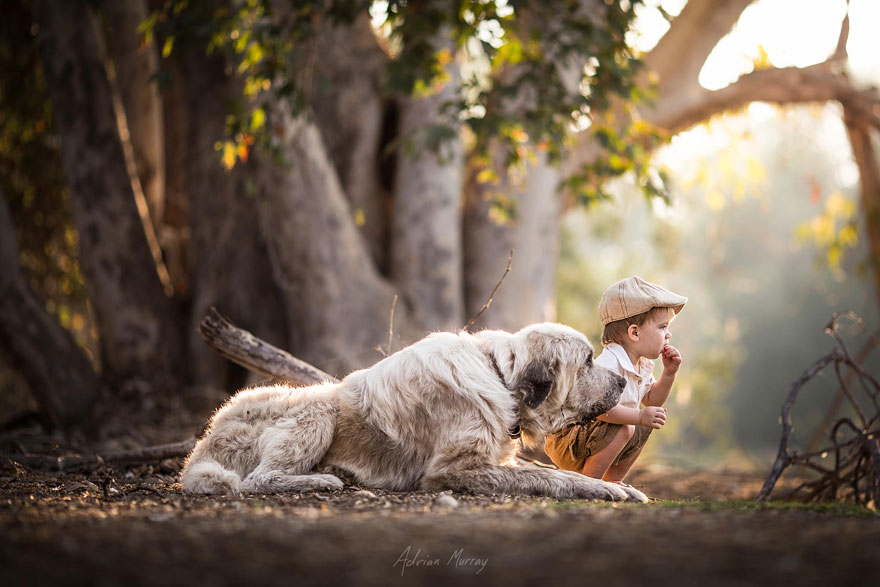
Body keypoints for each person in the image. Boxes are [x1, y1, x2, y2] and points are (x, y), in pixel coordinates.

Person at [544, 276, 686, 485]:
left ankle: (613, 482)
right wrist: (638, 416)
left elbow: (652, 401)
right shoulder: (609, 364)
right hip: (568, 440)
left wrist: (669, 374)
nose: (668, 334)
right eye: (662, 327)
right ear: (634, 333)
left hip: (595, 439)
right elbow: (601, 410)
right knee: (628, 425)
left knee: (645, 424)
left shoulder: (642, 364)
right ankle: (588, 483)